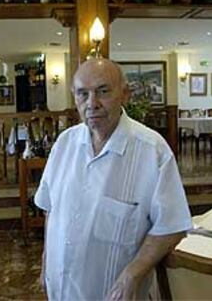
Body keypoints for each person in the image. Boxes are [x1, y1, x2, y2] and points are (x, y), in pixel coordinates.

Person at [34, 58, 192, 300]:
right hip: (60, 291)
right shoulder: (64, 144)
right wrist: (47, 259)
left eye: (103, 91)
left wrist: (133, 274)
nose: (92, 103)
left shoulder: (153, 151)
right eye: (82, 94)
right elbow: (50, 209)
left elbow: (172, 226)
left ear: (125, 94)